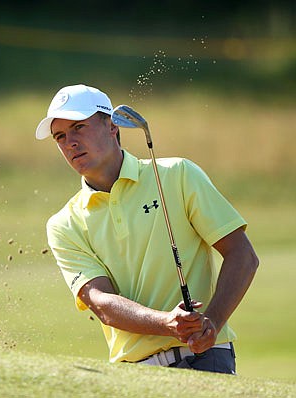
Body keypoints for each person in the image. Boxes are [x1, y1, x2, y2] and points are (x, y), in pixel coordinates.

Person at [35, 84, 259, 373]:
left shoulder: (178, 175)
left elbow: (242, 254)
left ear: (113, 126)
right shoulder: (64, 223)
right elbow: (101, 302)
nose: (70, 142)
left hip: (206, 359)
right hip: (134, 373)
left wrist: (212, 323)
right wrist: (167, 323)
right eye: (60, 136)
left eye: (79, 127)